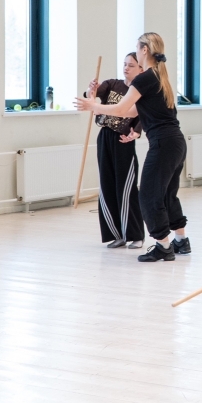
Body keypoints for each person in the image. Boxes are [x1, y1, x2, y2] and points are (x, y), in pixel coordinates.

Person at [76, 33, 189, 262]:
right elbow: (130, 112)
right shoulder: (159, 76)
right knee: (167, 195)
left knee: (148, 195)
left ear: (144, 50)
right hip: (176, 143)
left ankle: (163, 246)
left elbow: (120, 109)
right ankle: (180, 240)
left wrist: (92, 106)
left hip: (164, 144)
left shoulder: (144, 78)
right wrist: (96, 105)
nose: (135, 52)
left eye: (137, 48)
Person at [87, 52, 146, 248]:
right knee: (107, 185)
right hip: (105, 137)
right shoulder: (112, 84)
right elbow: (92, 98)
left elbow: (142, 116)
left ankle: (135, 235)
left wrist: (136, 133)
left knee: (126, 188)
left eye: (131, 65)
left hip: (123, 141)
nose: (126, 68)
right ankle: (116, 233)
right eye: (125, 64)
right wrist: (91, 90)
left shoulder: (139, 91)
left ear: (141, 69)